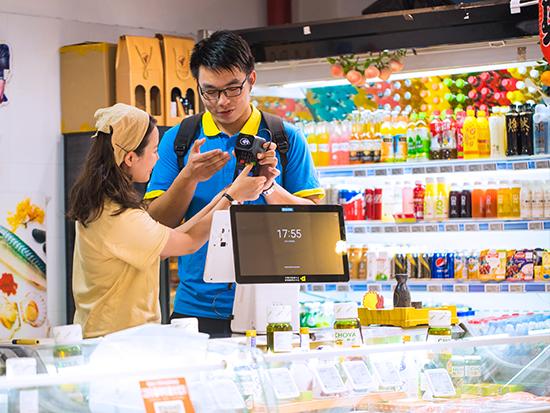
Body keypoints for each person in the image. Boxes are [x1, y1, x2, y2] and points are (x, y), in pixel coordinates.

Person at [145, 30, 324, 338]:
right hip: (194, 308)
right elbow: (156, 226)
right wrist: (188, 177)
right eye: (210, 92)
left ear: (251, 79)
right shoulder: (179, 140)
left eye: (232, 89)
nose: (222, 101)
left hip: (272, 306)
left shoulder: (285, 138)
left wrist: (269, 187)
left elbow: (315, 224)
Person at [68, 103, 272, 338]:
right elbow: (188, 242)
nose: (157, 159)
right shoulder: (119, 216)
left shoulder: (103, 205)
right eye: (154, 151)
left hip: (110, 337)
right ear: (131, 157)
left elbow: (176, 235)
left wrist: (224, 193)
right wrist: (232, 196)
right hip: (119, 341)